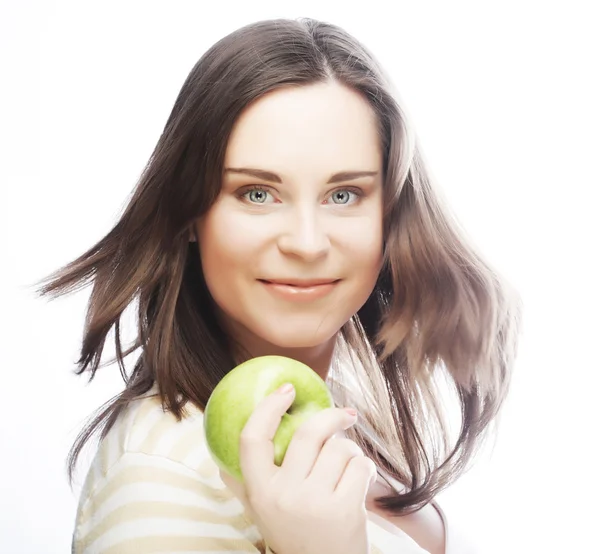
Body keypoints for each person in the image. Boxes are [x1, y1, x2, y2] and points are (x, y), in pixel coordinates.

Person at [37, 17, 522, 554]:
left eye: (344, 195)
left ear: (389, 212)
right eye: (257, 194)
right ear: (189, 214)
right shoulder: (162, 478)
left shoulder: (345, 417)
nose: (307, 243)